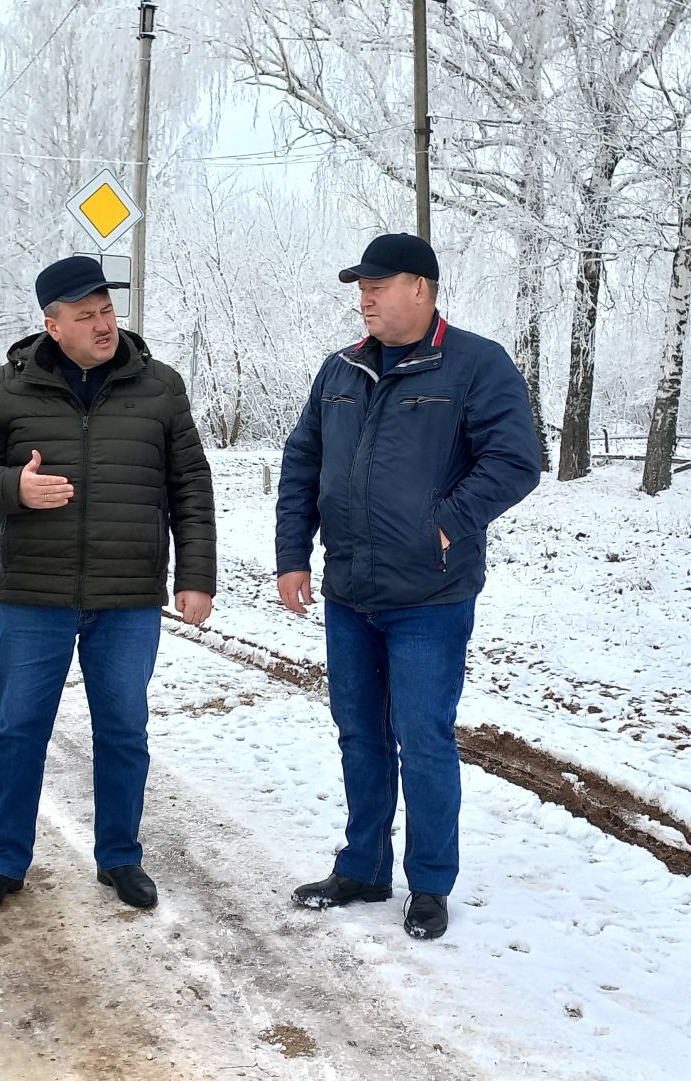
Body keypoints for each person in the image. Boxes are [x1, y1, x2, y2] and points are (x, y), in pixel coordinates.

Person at [274, 233, 541, 940]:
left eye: (378, 285)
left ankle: (429, 882)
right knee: (359, 733)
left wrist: (445, 525)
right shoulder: (339, 369)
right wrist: (292, 554)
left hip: (430, 595)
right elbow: (302, 460)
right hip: (349, 590)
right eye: (359, 287)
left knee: (422, 737)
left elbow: (516, 460)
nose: (363, 297)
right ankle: (364, 865)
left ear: (420, 288)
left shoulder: (475, 364)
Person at [0, 256, 216, 915]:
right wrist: (17, 487)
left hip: (127, 597)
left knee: (123, 728)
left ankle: (120, 856)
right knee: (18, 730)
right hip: (33, 595)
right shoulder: (8, 389)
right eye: (86, 315)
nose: (103, 324)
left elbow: (191, 486)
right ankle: (4, 862)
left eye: (107, 310)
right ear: (53, 323)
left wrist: (197, 576)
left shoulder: (160, 387)